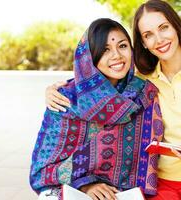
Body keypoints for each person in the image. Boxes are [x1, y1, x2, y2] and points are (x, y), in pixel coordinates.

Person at [44, 1, 181, 200]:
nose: (159, 39)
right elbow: (99, 83)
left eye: (163, 28)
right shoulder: (142, 83)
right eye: (148, 35)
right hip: (155, 182)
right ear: (143, 43)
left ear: (176, 27)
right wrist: (57, 90)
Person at [30, 18, 164, 200]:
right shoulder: (65, 99)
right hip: (74, 190)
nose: (116, 55)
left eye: (122, 46)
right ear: (88, 57)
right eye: (105, 50)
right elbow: (42, 170)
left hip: (122, 193)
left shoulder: (144, 94)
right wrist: (85, 185)